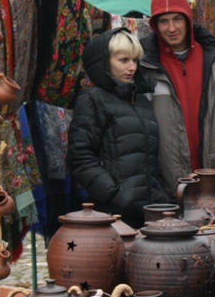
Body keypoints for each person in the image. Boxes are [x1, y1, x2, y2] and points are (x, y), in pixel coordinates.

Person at [140, 0, 215, 197]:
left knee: (214, 226)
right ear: (154, 25)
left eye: (177, 19)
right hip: (165, 179)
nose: (171, 28)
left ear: (188, 20)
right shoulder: (144, 67)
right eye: (163, 21)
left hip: (213, 175)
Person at [67, 28, 169, 229]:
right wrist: (115, 194)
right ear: (104, 62)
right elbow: (80, 158)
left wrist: (160, 195)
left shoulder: (140, 100)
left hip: (151, 210)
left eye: (135, 60)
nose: (132, 67)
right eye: (124, 60)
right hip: (115, 214)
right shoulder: (92, 100)